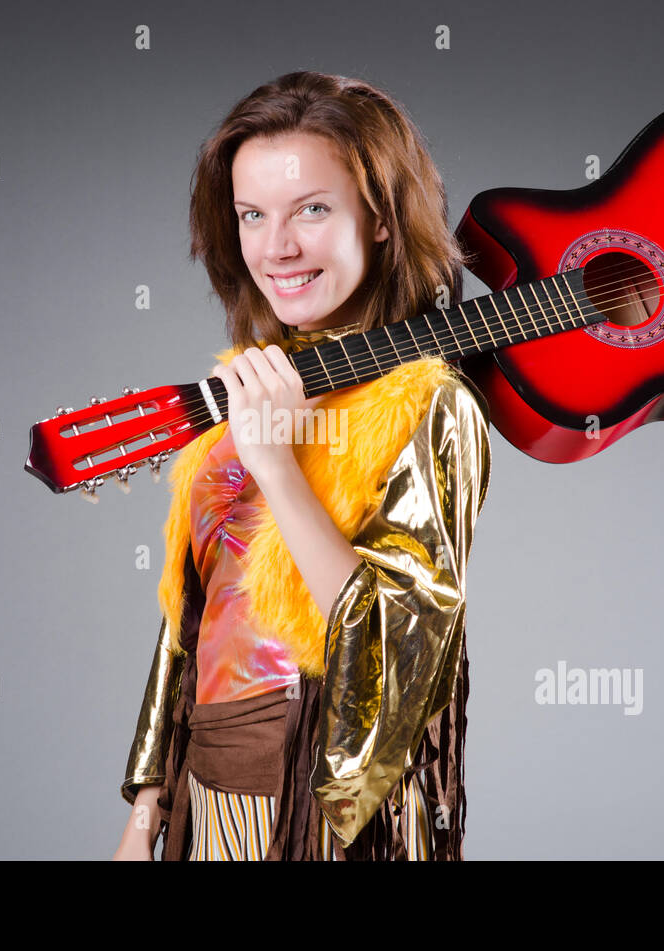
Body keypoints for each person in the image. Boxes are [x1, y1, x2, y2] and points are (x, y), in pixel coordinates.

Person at [112, 70, 491, 861]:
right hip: (205, 790)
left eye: (311, 210)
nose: (276, 247)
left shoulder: (428, 401)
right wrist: (146, 814)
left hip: (319, 801)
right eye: (253, 215)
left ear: (381, 218)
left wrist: (277, 469)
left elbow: (394, 648)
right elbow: (190, 618)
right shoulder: (245, 388)